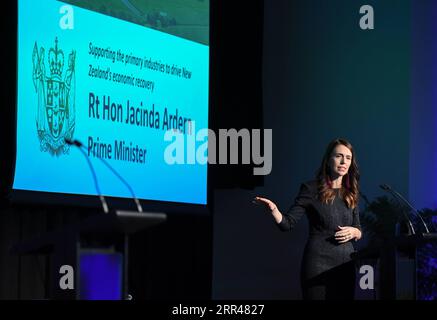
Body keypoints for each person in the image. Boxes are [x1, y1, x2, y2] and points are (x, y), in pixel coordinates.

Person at [254, 138, 362, 300]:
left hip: (345, 264)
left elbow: (359, 229)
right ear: (328, 160)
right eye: (338, 156)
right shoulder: (311, 189)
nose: (343, 161)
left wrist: (355, 231)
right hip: (318, 263)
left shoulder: (351, 193)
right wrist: (274, 210)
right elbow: (287, 223)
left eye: (348, 158)